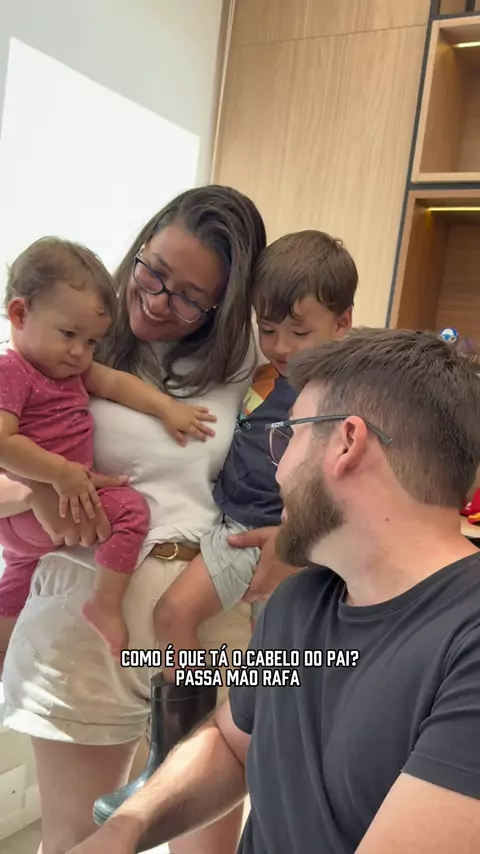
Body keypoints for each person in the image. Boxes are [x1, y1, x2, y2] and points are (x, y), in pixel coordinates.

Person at [67, 328, 480, 854]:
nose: (278, 469)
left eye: (288, 437)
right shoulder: (297, 602)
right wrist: (124, 831)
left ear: (347, 444)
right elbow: (231, 744)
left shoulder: (466, 645)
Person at [0, 185, 290, 854]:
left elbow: (295, 458)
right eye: (153, 272)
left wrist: (291, 537)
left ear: (225, 304)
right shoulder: (58, 338)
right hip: (84, 621)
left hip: (211, 620)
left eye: (189, 296)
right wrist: (41, 490)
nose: (159, 301)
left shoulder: (250, 360)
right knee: (80, 840)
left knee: (205, 845)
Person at [0, 236, 217, 662]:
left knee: (17, 580)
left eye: (92, 343)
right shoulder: (12, 371)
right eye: (69, 335)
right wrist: (60, 475)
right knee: (130, 510)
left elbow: (117, 383)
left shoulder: (68, 370)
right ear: (20, 314)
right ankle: (104, 603)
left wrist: (165, 408)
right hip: (39, 505)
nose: (79, 353)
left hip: (31, 524)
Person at [153, 231, 357, 680]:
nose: (281, 346)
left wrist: (295, 538)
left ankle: (195, 719)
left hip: (259, 533)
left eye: (300, 333)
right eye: (267, 330)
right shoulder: (265, 375)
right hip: (229, 523)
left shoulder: (341, 395)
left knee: (172, 617)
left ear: (342, 323)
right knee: (263, 656)